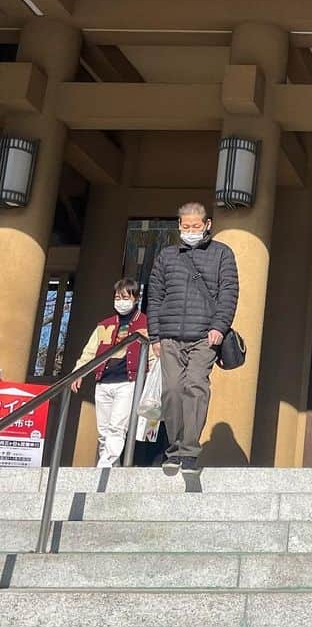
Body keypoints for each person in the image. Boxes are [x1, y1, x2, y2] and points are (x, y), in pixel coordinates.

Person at [147, 202, 238, 474]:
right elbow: (154, 295)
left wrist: (220, 327)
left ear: (207, 225)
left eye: (195, 226)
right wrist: (155, 335)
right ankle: (173, 448)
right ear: (179, 226)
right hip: (170, 335)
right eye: (186, 226)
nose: (190, 231)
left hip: (205, 335)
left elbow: (229, 292)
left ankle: (189, 451)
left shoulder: (222, 254)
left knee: (196, 386)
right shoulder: (166, 256)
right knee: (172, 390)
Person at [71, 277, 152, 467]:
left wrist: (151, 381)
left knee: (117, 427)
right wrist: (78, 372)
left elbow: (153, 356)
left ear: (135, 298)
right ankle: (110, 467)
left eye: (125, 297)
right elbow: (90, 351)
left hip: (128, 381)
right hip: (103, 380)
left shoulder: (146, 324)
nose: (120, 301)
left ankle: (104, 466)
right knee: (103, 432)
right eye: (117, 297)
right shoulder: (105, 324)